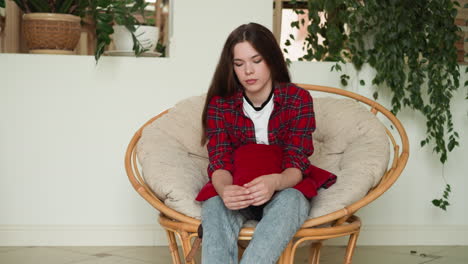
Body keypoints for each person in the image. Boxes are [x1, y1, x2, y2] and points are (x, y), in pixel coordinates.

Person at [196, 22, 336, 264]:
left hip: (283, 187)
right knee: (215, 205)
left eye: (256, 61)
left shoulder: (298, 100)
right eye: (239, 64)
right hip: (238, 185)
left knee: (292, 199)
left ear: (271, 59)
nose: (248, 71)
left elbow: (297, 162)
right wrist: (225, 190)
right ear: (232, 68)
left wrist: (275, 182)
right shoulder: (221, 104)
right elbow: (219, 160)